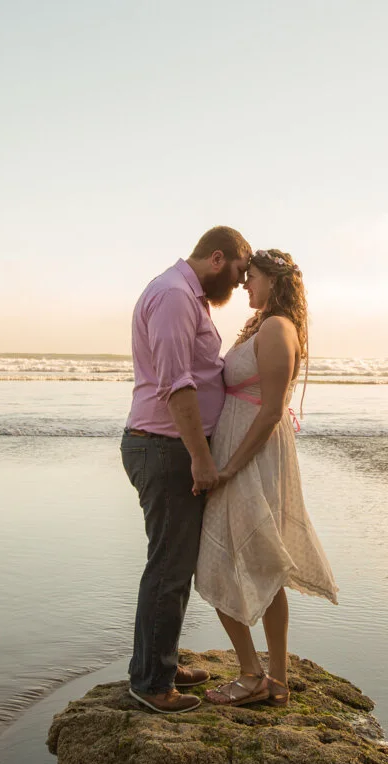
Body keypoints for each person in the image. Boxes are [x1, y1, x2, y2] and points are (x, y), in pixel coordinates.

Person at [195, 248, 339, 708]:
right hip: (244, 447)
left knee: (225, 559)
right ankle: (271, 677)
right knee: (260, 559)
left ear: (273, 281)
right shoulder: (263, 325)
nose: (243, 285)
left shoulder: (277, 328)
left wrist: (232, 465)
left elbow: (273, 409)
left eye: (250, 277)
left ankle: (257, 673)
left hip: (253, 454)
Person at [121, 225, 251, 714]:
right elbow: (177, 385)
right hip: (165, 447)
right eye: (239, 272)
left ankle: (162, 664)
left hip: (167, 446)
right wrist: (200, 457)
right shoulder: (175, 297)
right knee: (169, 567)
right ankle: (152, 683)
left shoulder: (186, 296)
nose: (240, 285)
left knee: (172, 562)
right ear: (218, 258)